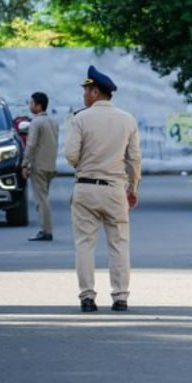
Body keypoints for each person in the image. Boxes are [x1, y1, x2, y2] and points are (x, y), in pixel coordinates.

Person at [65, 66, 141, 313]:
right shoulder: (127, 119)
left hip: (85, 188)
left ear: (95, 91)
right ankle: (120, 297)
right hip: (115, 189)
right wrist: (133, 187)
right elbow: (134, 160)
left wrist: (85, 162)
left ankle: (87, 297)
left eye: (86, 91)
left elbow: (71, 155)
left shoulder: (80, 118)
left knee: (84, 244)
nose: (84, 96)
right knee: (119, 243)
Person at [21, 92, 59, 242]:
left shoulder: (36, 123)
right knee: (44, 198)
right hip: (50, 165)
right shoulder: (53, 121)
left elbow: (31, 145)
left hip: (39, 166)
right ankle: (45, 229)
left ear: (38, 105)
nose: (30, 106)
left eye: (31, 103)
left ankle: (46, 231)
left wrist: (24, 163)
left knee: (41, 200)